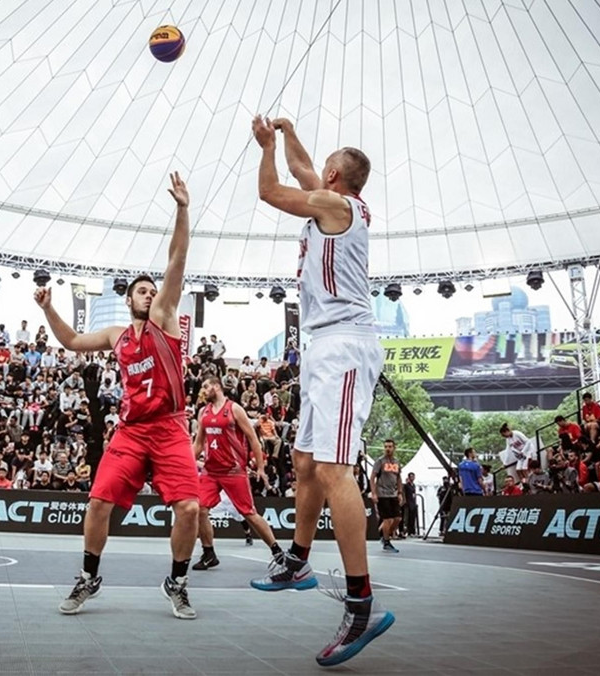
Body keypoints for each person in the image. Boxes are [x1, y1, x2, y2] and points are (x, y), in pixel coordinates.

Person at [248, 115, 392, 666]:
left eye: (322, 167)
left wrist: (265, 147)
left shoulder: (336, 207)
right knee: (305, 461)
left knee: (334, 470)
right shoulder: (334, 198)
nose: (315, 170)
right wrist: (286, 133)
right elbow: (303, 167)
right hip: (323, 348)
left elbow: (270, 188)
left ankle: (361, 604)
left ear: (335, 176)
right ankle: (299, 560)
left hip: (344, 347)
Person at [39, 172, 201, 620]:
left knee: (188, 508)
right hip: (131, 432)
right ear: (129, 299)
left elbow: (177, 260)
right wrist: (48, 307)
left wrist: (182, 209)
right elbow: (71, 341)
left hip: (169, 429)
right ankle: (89, 577)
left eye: (153, 290)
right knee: (98, 503)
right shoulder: (116, 336)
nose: (150, 294)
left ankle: (178, 581)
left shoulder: (165, 319)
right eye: (142, 291)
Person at [191, 375, 284, 571]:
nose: (204, 390)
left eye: (206, 386)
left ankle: (278, 552)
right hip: (210, 471)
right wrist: (185, 463)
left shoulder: (234, 409)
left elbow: (253, 439)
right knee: (199, 509)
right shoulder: (204, 412)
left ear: (217, 386)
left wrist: (260, 467)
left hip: (234, 471)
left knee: (249, 514)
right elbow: (199, 443)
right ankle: (209, 553)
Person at [369, 440, 404, 553]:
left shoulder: (396, 462)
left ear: (394, 448)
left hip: (393, 494)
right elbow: (372, 478)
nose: (387, 449)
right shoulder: (380, 461)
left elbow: (398, 478)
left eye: (390, 447)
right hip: (382, 494)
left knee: (397, 518)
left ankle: (385, 535)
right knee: (387, 519)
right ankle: (386, 541)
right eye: (385, 447)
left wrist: (399, 493)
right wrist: (374, 493)